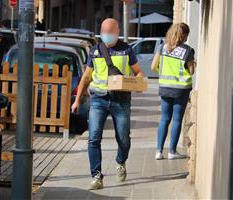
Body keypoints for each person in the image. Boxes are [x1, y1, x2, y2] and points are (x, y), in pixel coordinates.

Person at [71, 18, 144, 190]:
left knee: (124, 139)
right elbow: (86, 78)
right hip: (98, 100)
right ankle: (96, 176)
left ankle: (120, 161)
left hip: (121, 100)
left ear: (117, 32)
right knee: (93, 138)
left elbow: (138, 71)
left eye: (110, 32)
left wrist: (138, 80)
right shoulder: (95, 51)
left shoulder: (126, 50)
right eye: (104, 31)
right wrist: (77, 100)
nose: (106, 35)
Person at [151, 23, 196, 160]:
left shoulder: (162, 47)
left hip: (165, 88)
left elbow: (153, 67)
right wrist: (193, 63)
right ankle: (172, 151)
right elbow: (191, 71)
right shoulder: (188, 51)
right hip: (181, 90)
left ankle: (159, 151)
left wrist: (164, 74)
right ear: (185, 35)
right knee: (176, 119)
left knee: (164, 118)